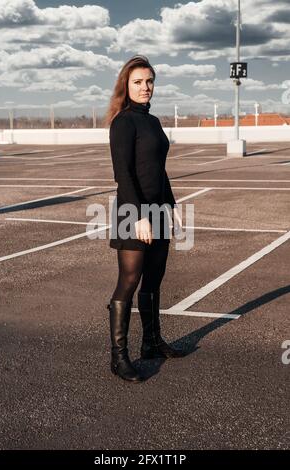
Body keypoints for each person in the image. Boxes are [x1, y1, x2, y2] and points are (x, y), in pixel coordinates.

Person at [104, 55, 184, 383]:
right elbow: (123, 174)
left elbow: (158, 170)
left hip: (158, 209)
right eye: (138, 82)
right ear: (127, 85)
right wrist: (138, 216)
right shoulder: (123, 122)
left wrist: (172, 204)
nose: (145, 87)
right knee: (130, 280)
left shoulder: (153, 122)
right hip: (132, 211)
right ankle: (119, 357)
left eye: (149, 81)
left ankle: (151, 343)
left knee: (154, 279)